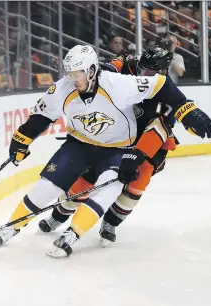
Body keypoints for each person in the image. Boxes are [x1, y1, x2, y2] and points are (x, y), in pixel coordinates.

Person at [0, 45, 211, 258]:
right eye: (69, 73)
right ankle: (15, 226)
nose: (71, 79)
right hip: (81, 144)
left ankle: (80, 231)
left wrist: (186, 110)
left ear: (90, 71)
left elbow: (161, 92)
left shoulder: (118, 85)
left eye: (76, 74)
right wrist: (22, 139)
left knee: (117, 186)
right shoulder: (69, 86)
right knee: (49, 185)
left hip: (123, 147)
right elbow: (42, 115)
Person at [37, 46, 185, 245]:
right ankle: (59, 215)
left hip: (145, 145)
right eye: (142, 69)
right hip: (114, 137)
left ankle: (111, 223)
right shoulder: (127, 66)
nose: (143, 75)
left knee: (136, 185)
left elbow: (158, 129)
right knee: (86, 177)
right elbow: (101, 71)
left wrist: (137, 156)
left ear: (162, 73)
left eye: (149, 73)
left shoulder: (166, 95)